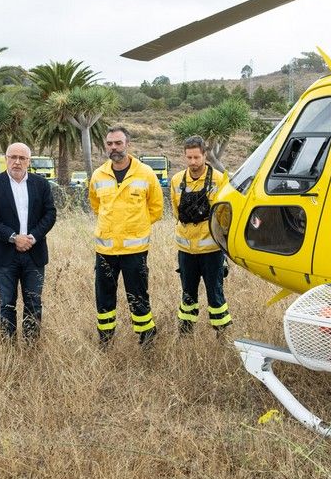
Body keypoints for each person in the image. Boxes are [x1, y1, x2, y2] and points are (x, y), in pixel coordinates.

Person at [88, 126, 163, 347]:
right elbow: (96, 205)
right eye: (110, 143)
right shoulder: (98, 174)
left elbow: (156, 208)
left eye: (118, 143)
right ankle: (106, 340)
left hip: (134, 250)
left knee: (138, 297)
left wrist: (135, 227)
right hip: (105, 251)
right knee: (104, 298)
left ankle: (147, 340)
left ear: (127, 144)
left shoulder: (145, 173)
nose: (114, 148)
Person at [0, 142, 57, 342]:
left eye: (22, 158)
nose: (17, 162)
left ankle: (31, 347)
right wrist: (15, 238)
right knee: (6, 303)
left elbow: (50, 214)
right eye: (13, 157)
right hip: (4, 255)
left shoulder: (41, 184)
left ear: (28, 162)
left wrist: (32, 237)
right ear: (6, 159)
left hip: (34, 252)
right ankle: (9, 349)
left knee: (34, 303)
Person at [170, 135, 231, 336]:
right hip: (186, 251)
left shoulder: (219, 180)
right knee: (188, 295)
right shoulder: (177, 180)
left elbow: (224, 216)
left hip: (212, 251)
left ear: (205, 155)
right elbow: (176, 212)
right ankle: (185, 333)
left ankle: (222, 333)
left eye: (197, 157)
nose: (193, 162)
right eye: (189, 158)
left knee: (215, 295)